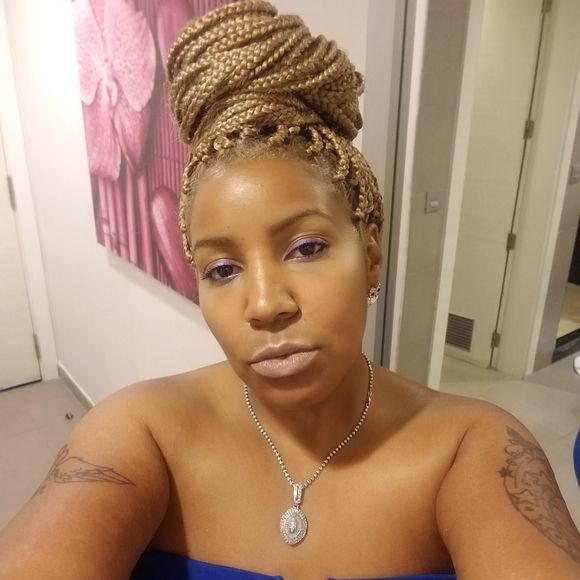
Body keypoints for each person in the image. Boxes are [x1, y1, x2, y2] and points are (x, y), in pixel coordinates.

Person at [1, 1, 579, 578]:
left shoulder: (473, 449)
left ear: (371, 255)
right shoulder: (140, 433)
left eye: (305, 248)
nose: (264, 306)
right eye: (221, 270)